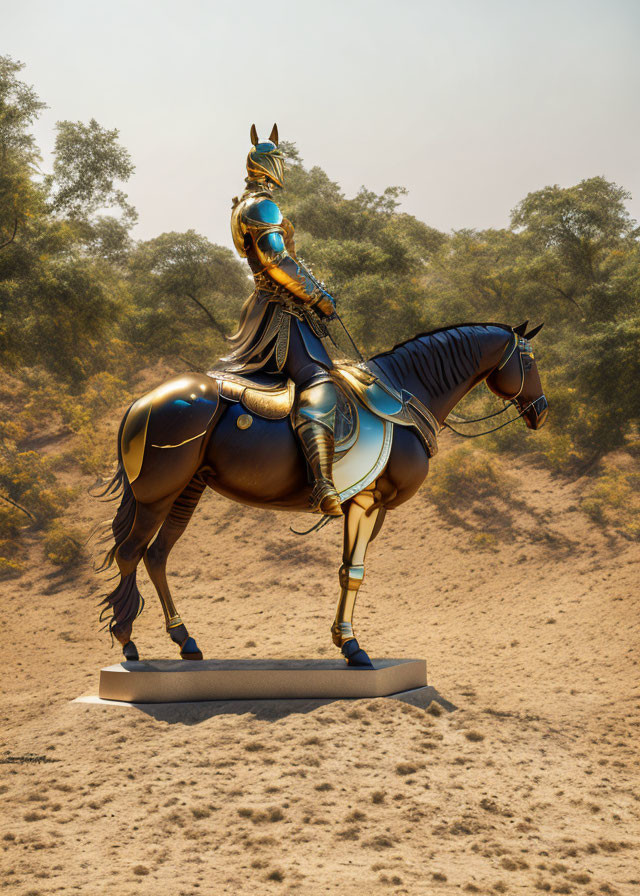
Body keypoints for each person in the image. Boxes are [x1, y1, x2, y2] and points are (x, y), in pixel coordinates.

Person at [224, 123, 343, 516]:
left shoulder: (241, 206)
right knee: (318, 379)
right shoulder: (262, 205)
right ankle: (324, 483)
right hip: (279, 309)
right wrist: (319, 295)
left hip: (260, 305)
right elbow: (278, 260)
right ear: (271, 167)